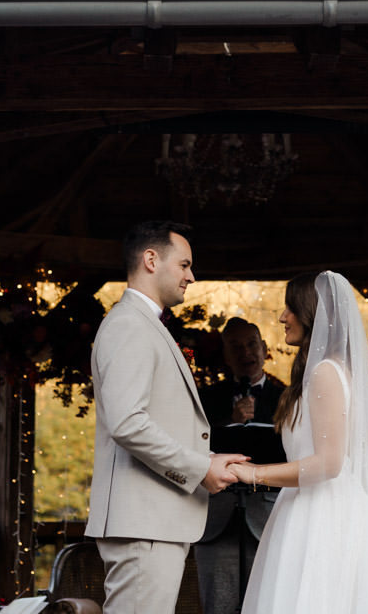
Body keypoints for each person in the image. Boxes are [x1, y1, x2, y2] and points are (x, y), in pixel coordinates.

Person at [228, 271, 368, 614]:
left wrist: (254, 474)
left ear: (312, 313)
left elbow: (328, 463)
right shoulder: (323, 371)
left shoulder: (326, 373)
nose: (282, 317)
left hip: (325, 519)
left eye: (290, 308)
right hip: (305, 509)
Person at [87, 221, 248, 614]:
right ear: (151, 259)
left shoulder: (144, 325)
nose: (191, 276)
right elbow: (128, 422)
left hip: (153, 521)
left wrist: (206, 461)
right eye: (185, 265)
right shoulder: (129, 325)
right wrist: (199, 468)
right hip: (144, 523)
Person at [195, 319, 288, 614]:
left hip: (271, 518)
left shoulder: (286, 397)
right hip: (216, 520)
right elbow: (188, 446)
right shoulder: (205, 398)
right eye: (235, 347)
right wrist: (229, 421)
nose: (245, 352)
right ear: (225, 355)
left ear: (264, 349)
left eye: (251, 344)